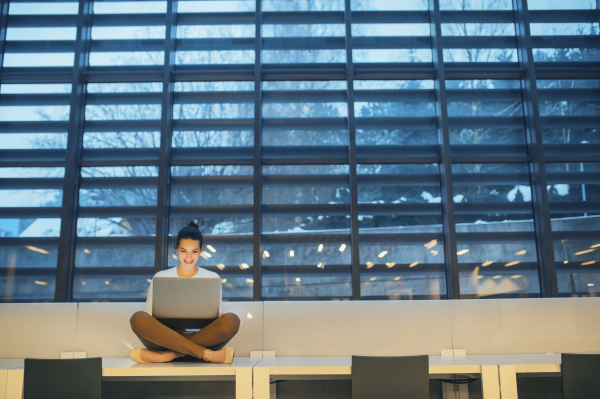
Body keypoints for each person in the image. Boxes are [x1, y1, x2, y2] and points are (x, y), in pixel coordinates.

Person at [129, 222, 240, 364]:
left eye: (194, 251)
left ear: (200, 250)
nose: (189, 256)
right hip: (165, 339)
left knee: (232, 320)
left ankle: (167, 356)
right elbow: (149, 318)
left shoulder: (212, 278)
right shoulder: (160, 277)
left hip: (203, 338)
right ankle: (204, 354)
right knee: (138, 318)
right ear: (176, 249)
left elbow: (216, 318)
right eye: (183, 251)